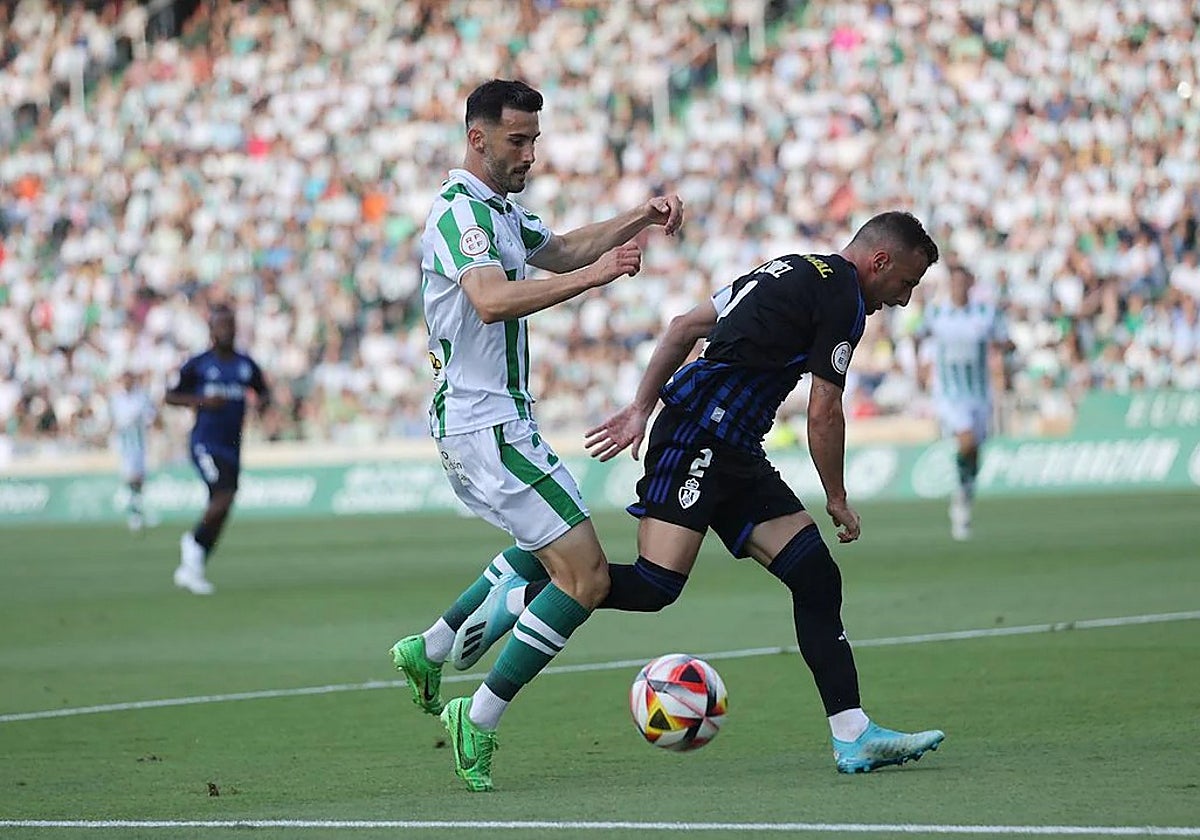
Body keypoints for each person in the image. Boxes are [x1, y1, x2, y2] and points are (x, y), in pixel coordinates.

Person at [458, 211, 947, 774]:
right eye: (906, 283)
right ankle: (520, 600)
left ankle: (852, 734)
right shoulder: (843, 296)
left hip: (732, 447)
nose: (904, 299)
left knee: (814, 574)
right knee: (654, 583)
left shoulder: (787, 267)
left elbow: (684, 326)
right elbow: (824, 409)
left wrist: (642, 407)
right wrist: (835, 496)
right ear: (880, 261)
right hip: (701, 435)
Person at [387, 78, 683, 792]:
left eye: (535, 141)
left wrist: (635, 219)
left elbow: (563, 247)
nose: (529, 154)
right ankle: (478, 717)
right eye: (517, 141)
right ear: (477, 138)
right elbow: (489, 302)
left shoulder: (499, 211)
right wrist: (595, 279)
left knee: (540, 548)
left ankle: (429, 650)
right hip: (485, 426)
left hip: (497, 423)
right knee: (584, 577)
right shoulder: (460, 213)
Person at [164, 304, 271, 595]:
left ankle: (194, 565)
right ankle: (193, 544)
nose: (227, 331)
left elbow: (264, 392)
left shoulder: (245, 365)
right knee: (222, 497)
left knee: (224, 505)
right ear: (211, 331)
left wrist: (261, 403)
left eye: (231, 325)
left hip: (232, 446)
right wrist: (201, 401)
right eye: (221, 326)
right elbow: (171, 396)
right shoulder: (198, 364)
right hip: (205, 442)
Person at [918, 265, 1014, 540]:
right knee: (967, 440)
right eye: (955, 283)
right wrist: (920, 369)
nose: (959, 287)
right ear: (950, 285)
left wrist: (1006, 349)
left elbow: (1005, 340)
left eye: (963, 282)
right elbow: (918, 337)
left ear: (970, 284)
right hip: (948, 393)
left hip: (980, 393)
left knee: (974, 451)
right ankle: (961, 497)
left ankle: (964, 494)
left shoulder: (985, 314)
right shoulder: (936, 314)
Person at [109, 370, 156, 532]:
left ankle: (138, 510)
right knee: (131, 478)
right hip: (125, 444)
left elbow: (150, 416)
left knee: (140, 479)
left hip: (140, 443)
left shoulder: (141, 397)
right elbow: (118, 420)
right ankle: (134, 514)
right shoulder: (117, 399)